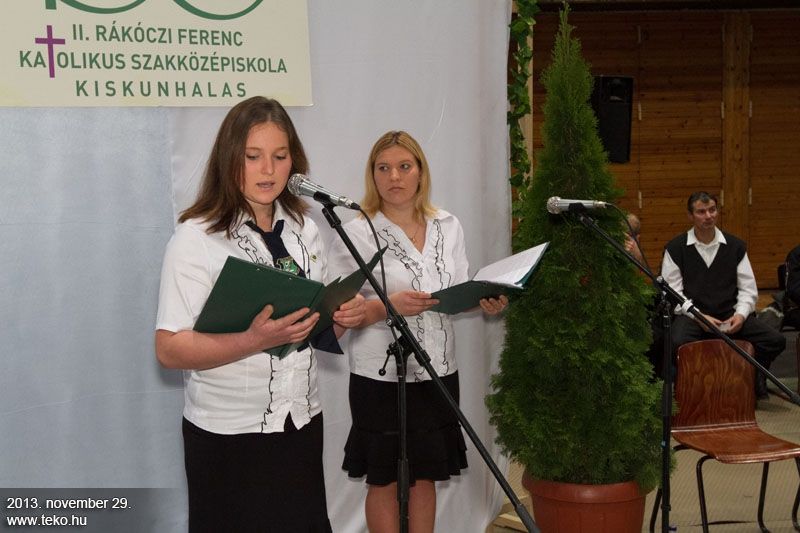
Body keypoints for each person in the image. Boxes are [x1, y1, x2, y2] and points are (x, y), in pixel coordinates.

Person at [154, 96, 365, 533]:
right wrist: (252, 340)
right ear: (230, 159)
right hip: (228, 437)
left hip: (300, 423)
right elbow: (169, 349)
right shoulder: (195, 238)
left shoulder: (306, 229)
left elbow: (310, 334)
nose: (268, 170)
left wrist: (339, 318)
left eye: (279, 156)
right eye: (253, 157)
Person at [328, 131, 507, 532]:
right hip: (380, 376)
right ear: (372, 175)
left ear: (421, 172)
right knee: (385, 478)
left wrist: (483, 300)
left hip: (437, 370)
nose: (394, 176)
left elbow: (455, 292)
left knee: (426, 473)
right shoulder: (357, 232)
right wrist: (388, 306)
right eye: (384, 168)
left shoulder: (448, 225)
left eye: (404, 166)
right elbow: (341, 314)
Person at [661, 191, 786, 399]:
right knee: (676, 341)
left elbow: (748, 289)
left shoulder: (735, 246)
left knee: (775, 340)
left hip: (729, 314)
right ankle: (692, 389)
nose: (708, 216)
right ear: (690, 216)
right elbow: (674, 294)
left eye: (712, 210)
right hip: (693, 315)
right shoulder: (675, 248)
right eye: (701, 212)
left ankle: (754, 377)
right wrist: (699, 317)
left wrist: (741, 315)